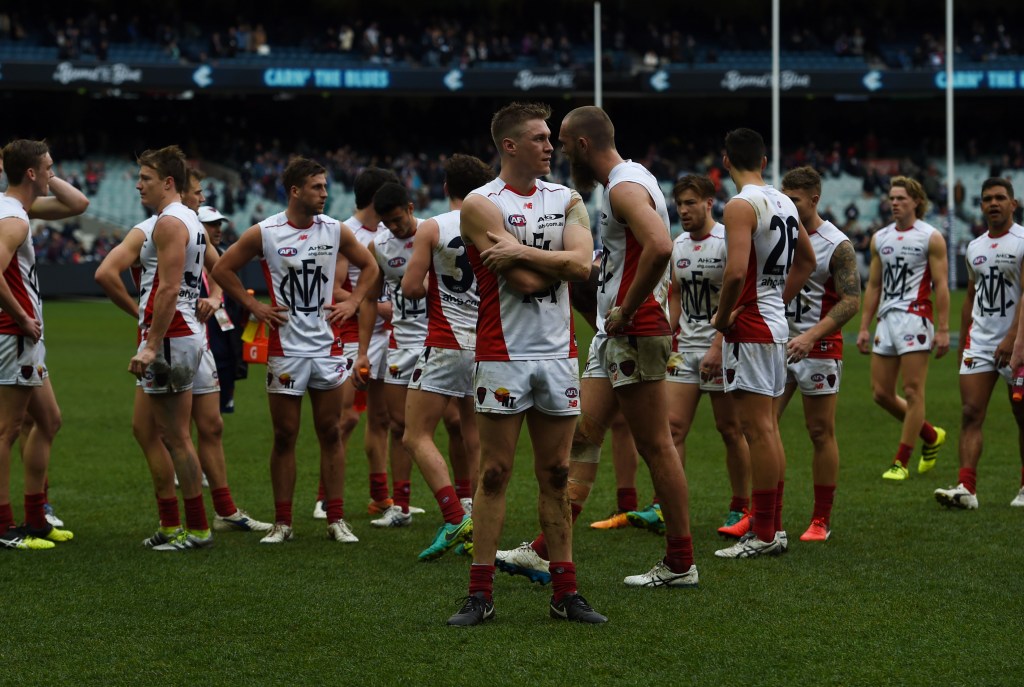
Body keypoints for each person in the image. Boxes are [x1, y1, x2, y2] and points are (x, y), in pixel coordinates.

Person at [499, 105, 698, 589]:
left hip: (634, 327)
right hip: (617, 331)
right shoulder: (629, 181)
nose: (561, 152)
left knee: (656, 445)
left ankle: (680, 563)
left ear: (583, 145)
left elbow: (660, 246)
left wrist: (626, 308)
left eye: (564, 145)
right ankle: (544, 551)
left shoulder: (623, 186)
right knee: (583, 436)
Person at [447, 101, 605, 626]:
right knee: (494, 473)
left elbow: (582, 265)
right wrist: (551, 263)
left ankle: (565, 593)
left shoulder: (568, 198)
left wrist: (523, 252)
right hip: (502, 355)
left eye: (549, 138)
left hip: (559, 354)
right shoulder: (479, 203)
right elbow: (526, 283)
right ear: (509, 145)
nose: (550, 146)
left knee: (557, 472)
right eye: (539, 138)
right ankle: (479, 593)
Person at [95, 171, 270, 547]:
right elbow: (108, 273)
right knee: (158, 430)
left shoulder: (187, 224)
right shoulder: (152, 228)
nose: (203, 199)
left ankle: (210, 516)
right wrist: (140, 314)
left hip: (183, 338)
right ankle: (184, 520)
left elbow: (218, 268)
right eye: (199, 192)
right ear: (180, 189)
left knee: (201, 429)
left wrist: (218, 297)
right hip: (182, 336)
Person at [213, 157, 379, 544]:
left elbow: (369, 267)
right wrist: (253, 306)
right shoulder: (265, 232)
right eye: (318, 187)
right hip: (285, 347)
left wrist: (353, 302)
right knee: (285, 434)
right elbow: (222, 269)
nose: (325, 193)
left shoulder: (335, 230)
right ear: (295, 191)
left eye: (325, 186)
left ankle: (335, 519)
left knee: (330, 431)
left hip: (327, 347)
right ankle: (283, 522)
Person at [712, 128, 816, 560]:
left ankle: (767, 532)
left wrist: (721, 319)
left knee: (757, 429)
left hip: (751, 329)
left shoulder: (740, 205)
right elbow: (807, 261)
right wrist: (776, 299)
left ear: (725, 161)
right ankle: (770, 527)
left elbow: (736, 272)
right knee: (767, 429)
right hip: (773, 323)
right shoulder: (785, 202)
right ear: (765, 161)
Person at [400, 153, 494, 560]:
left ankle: (455, 517)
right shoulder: (493, 223)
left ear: (445, 188)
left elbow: (410, 287)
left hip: (446, 340)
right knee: (472, 432)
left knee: (414, 434)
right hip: (488, 342)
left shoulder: (433, 226)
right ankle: (474, 512)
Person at [654, 174, 751, 539]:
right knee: (673, 428)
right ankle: (667, 504)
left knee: (730, 429)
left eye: (691, 203)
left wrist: (717, 344)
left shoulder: (727, 241)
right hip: (684, 348)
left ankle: (740, 506)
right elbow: (676, 293)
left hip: (720, 348)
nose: (684, 210)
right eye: (679, 204)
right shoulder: (677, 244)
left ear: (710, 203)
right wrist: (668, 331)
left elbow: (740, 297)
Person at [127, 145, 212, 551]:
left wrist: (150, 345)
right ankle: (174, 523)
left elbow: (170, 287)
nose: (138, 184)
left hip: (173, 335)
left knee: (177, 436)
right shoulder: (187, 219)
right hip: (181, 332)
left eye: (145, 178)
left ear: (167, 182)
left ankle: (196, 529)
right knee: (151, 429)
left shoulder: (169, 223)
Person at [0, 146, 88, 534]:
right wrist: (21, 316)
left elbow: (78, 203)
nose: (55, 172)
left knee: (48, 420)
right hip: (14, 332)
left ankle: (37, 518)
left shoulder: (17, 209)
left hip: (25, 336)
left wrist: (44, 176)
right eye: (49, 167)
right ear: (31, 173)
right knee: (8, 430)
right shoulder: (14, 220)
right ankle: (5, 526)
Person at [315, 167, 411, 518]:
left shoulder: (386, 234)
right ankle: (324, 498)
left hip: (387, 333)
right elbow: (335, 287)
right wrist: (376, 304)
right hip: (355, 334)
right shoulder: (346, 232)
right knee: (344, 419)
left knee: (383, 419)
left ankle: (381, 497)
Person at [777, 166, 862, 541]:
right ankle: (763, 515)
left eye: (794, 200)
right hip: (777, 344)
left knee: (819, 431)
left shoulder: (837, 243)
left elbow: (852, 300)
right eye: (785, 199)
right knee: (761, 428)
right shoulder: (779, 236)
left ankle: (820, 519)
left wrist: (812, 336)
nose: (788, 206)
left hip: (820, 348)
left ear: (814, 199)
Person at [856, 176, 950, 481]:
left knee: (912, 391)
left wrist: (944, 329)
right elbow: (873, 285)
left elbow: (942, 285)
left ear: (916, 202)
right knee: (881, 393)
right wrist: (864, 327)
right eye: (892, 198)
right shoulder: (880, 238)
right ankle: (930, 434)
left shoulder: (930, 237)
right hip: (887, 318)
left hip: (915, 317)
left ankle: (901, 461)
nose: (894, 203)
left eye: (901, 198)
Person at [939, 178, 1024, 509]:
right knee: (970, 412)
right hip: (981, 343)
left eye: (1000, 198)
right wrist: (964, 344)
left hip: (1017, 343)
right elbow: (970, 299)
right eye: (987, 199)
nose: (993, 203)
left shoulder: (1021, 241)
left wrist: (1014, 339)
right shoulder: (973, 247)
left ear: (1013, 204)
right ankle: (967, 488)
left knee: (1021, 414)